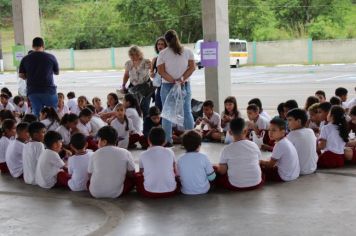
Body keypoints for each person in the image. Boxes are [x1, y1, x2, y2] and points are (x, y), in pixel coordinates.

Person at [157, 29, 195, 145]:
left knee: (167, 113)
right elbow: (192, 67)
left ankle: (168, 140)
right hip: (184, 85)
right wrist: (181, 79)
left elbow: (161, 71)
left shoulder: (163, 53)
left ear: (166, 41)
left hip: (168, 85)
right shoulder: (188, 51)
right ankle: (191, 140)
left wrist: (173, 81)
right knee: (187, 111)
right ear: (177, 38)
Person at [88, 126, 135, 198]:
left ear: (104, 142)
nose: (98, 142)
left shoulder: (95, 154)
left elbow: (89, 175)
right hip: (116, 193)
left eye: (99, 140)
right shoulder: (125, 152)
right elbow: (132, 173)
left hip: (95, 193)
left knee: (88, 182)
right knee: (132, 180)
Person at [216, 118, 264, 190]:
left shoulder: (226, 149)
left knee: (216, 173)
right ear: (245, 131)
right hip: (256, 183)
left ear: (230, 132)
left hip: (235, 186)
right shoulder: (254, 145)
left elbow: (222, 171)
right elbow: (259, 163)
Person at [18, 37, 59, 117]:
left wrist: (30, 76)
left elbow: (21, 75)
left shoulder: (25, 58)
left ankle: (37, 128)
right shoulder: (50, 57)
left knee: (36, 113)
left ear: (33, 46)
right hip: (48, 90)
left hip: (33, 91)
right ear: (43, 45)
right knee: (52, 113)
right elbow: (57, 72)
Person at [135, 127, 178, 198]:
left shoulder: (143, 154)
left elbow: (141, 172)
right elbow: (175, 170)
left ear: (148, 140)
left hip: (149, 192)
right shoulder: (170, 152)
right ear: (165, 141)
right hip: (171, 191)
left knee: (136, 175)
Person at [260, 118, 300, 182]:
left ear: (283, 132)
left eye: (274, 130)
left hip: (284, 176)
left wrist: (260, 161)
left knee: (258, 168)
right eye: (269, 130)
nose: (270, 133)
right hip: (294, 174)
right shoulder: (286, 141)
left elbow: (270, 165)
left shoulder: (279, 144)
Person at [178, 130, 215, 195]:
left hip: (186, 191)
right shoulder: (204, 157)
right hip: (204, 190)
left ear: (184, 146)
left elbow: (179, 177)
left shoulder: (180, 159)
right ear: (199, 145)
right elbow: (212, 178)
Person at [121, 46, 153, 118]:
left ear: (138, 54)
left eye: (133, 54)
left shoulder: (146, 62)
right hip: (133, 88)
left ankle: (146, 125)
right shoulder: (128, 63)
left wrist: (153, 75)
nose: (131, 56)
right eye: (130, 55)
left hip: (145, 88)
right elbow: (126, 75)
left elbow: (153, 72)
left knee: (145, 106)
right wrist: (123, 85)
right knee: (134, 107)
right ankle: (137, 124)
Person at [286, 109, 318, 175]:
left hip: (298, 171)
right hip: (312, 168)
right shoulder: (310, 131)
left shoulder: (292, 134)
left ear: (298, 121)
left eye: (290, 120)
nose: (287, 123)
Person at [150, 37, 168, 111]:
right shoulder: (155, 59)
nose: (160, 46)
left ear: (166, 46)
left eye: (162, 44)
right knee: (158, 107)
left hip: (168, 84)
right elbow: (151, 72)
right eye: (158, 44)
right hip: (159, 86)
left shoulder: (169, 58)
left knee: (167, 107)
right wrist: (152, 74)